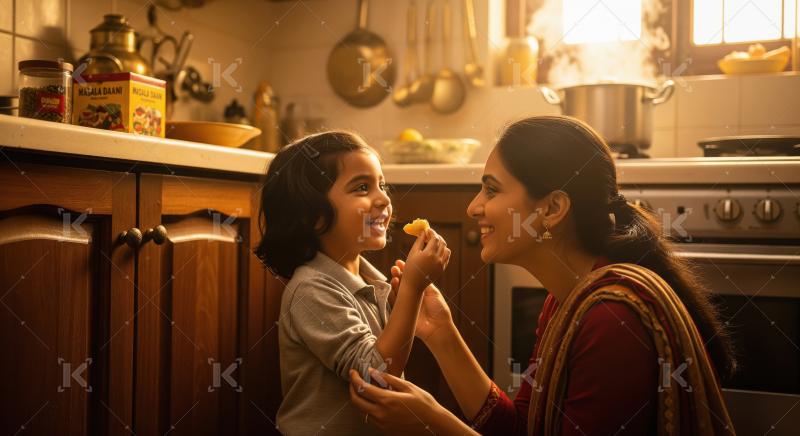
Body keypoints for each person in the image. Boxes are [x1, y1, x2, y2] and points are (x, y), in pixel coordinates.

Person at [349, 116, 736, 435]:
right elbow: (520, 428)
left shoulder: (612, 319)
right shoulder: (564, 302)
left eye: (491, 190)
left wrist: (431, 422)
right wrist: (441, 332)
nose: (473, 208)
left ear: (552, 208)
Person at [256, 131, 451, 435]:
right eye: (362, 187)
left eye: (381, 185)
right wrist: (412, 289)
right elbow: (376, 378)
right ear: (315, 216)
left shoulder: (372, 280)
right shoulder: (311, 290)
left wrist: (406, 297)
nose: (384, 198)